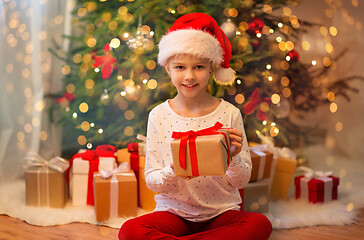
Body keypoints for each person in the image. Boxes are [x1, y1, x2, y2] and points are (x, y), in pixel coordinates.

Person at [119, 12, 272, 240]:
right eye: (180, 67)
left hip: (221, 213)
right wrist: (175, 168)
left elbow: (241, 181)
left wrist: (234, 157)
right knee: (129, 231)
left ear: (212, 68)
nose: (189, 76)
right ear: (168, 69)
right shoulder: (159, 115)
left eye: (198, 67)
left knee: (260, 224)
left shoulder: (229, 113)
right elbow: (152, 181)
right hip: (173, 214)